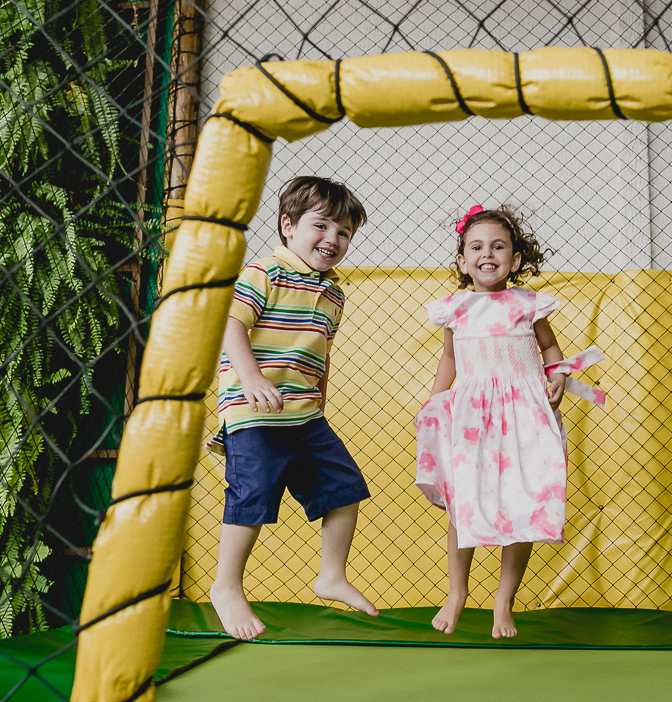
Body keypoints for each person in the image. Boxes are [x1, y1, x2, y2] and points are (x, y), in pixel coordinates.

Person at [416, 205, 605, 638]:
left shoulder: (528, 305)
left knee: (524, 503)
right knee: (463, 502)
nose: (487, 254)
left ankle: (504, 601)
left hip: (524, 416)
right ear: (462, 261)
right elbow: (449, 359)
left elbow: (550, 349)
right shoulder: (455, 309)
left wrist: (558, 375)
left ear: (515, 260)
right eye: (476, 247)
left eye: (498, 246)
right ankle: (457, 593)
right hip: (473, 420)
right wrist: (434, 402)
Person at [208, 176, 378, 640]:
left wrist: (320, 394)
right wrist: (251, 377)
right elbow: (229, 324)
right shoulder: (265, 272)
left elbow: (322, 350)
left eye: (343, 232)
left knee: (344, 486)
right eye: (320, 226)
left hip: (303, 413)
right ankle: (226, 586)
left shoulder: (333, 294)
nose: (332, 239)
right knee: (252, 495)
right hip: (253, 412)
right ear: (288, 225)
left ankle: (331, 576)